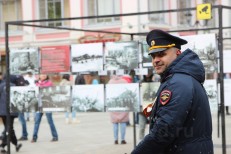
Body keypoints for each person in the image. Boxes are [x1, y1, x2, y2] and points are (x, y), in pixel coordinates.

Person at [132, 29, 213, 154]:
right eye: (153, 56)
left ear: (178, 53)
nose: (156, 60)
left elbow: (163, 131)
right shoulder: (180, 79)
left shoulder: (178, 82)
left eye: (161, 54)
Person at [31, 74, 58, 142]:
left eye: (45, 74)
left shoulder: (49, 82)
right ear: (39, 75)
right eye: (41, 74)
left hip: (47, 104)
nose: (43, 75)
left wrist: (40, 85)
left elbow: (52, 91)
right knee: (36, 122)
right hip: (38, 105)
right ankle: (34, 137)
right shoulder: (35, 83)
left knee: (50, 121)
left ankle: (55, 136)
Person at [0, 75, 22, 152]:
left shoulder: (1, 86)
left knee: (9, 128)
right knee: (9, 128)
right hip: (11, 111)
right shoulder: (14, 86)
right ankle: (3, 145)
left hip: (2, 111)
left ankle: (16, 144)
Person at [108, 75, 131, 145]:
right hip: (123, 104)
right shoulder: (124, 81)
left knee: (115, 124)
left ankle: (115, 139)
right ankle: (123, 139)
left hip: (113, 104)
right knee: (123, 123)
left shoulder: (110, 82)